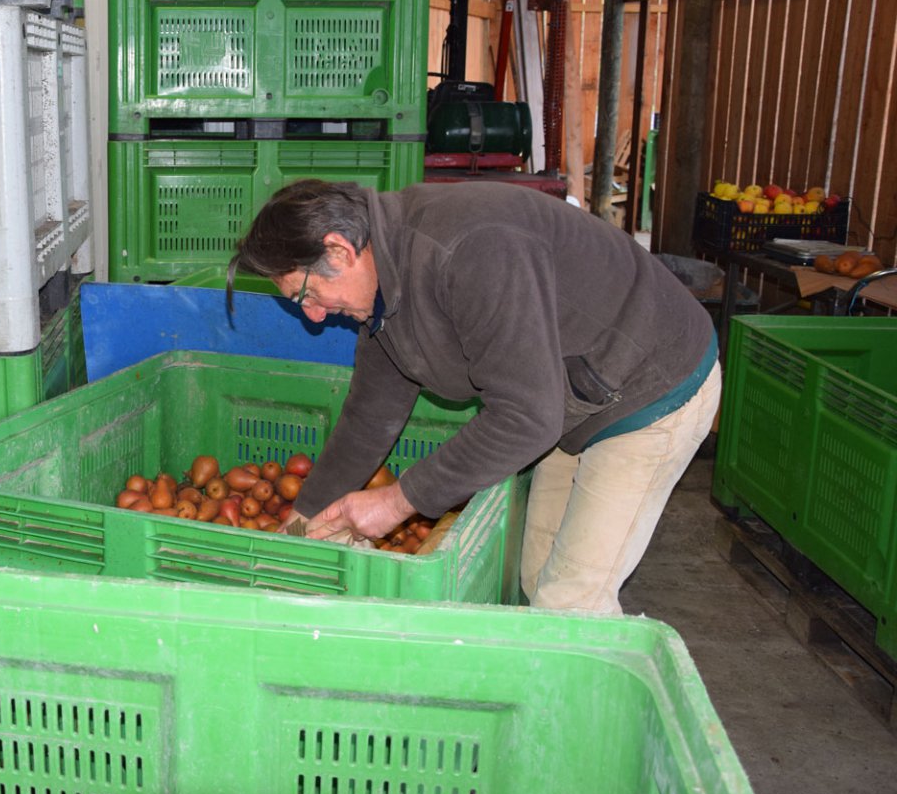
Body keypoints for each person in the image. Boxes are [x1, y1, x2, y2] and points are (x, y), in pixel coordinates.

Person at [229, 179, 720, 612]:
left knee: (570, 603)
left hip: (651, 387)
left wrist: (399, 501)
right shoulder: (384, 287)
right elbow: (371, 413)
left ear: (339, 250)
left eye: (307, 295)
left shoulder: (469, 249)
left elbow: (527, 417)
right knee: (538, 579)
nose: (313, 315)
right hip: (573, 398)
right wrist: (305, 515)